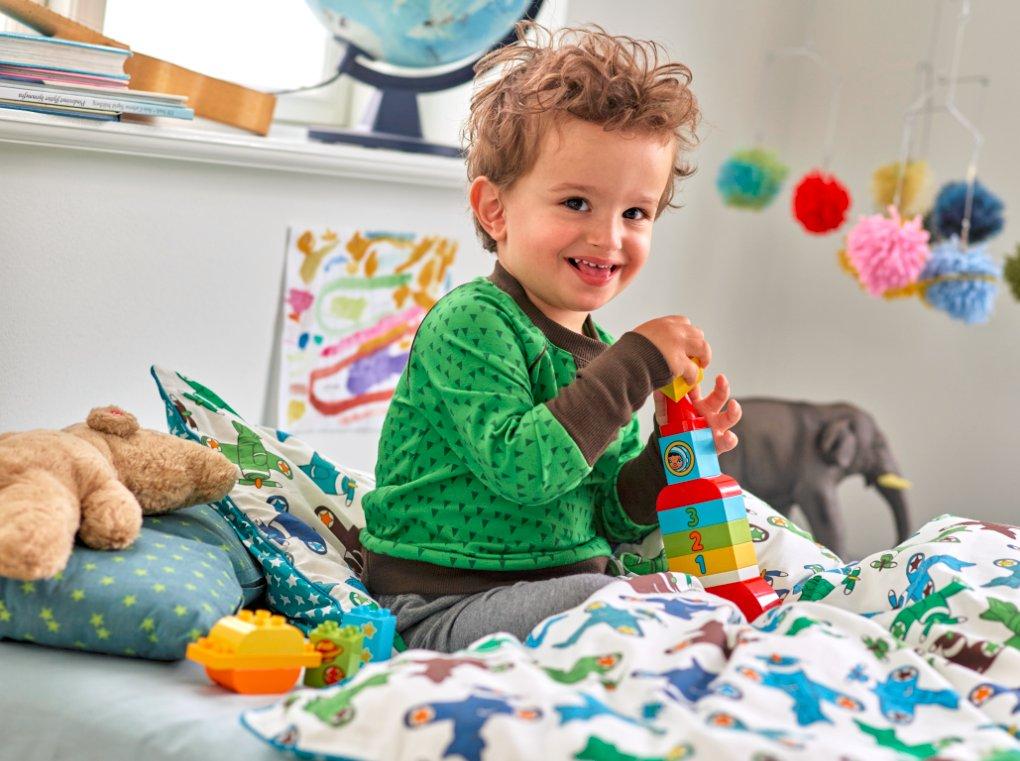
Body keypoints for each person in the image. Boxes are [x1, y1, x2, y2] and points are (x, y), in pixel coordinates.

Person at [360, 22, 741, 653]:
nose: (608, 237)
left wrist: (667, 455)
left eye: (635, 212)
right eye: (576, 203)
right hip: (443, 604)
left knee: (670, 584)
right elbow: (526, 471)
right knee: (631, 600)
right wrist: (637, 363)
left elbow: (610, 515)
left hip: (558, 589)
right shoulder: (471, 322)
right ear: (495, 210)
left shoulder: (603, 355)